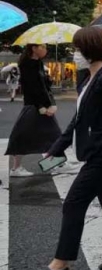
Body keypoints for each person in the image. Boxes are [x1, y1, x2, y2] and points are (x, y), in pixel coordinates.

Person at [23, 27, 102, 270]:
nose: (75, 54)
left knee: (74, 203)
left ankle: (60, 265)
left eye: (77, 49)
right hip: (100, 152)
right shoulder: (91, 79)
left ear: (87, 50)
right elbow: (78, 120)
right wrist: (57, 147)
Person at [6, 44, 61, 177]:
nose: (45, 50)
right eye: (43, 47)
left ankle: (54, 164)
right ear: (34, 48)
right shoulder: (27, 64)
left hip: (42, 106)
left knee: (53, 135)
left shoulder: (38, 63)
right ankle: (16, 168)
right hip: (34, 106)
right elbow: (31, 88)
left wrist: (48, 80)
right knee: (22, 136)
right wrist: (41, 107)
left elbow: (42, 87)